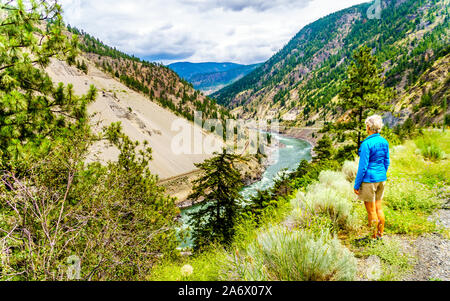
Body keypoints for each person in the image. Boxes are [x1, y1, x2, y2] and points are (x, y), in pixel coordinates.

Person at [354, 115, 390, 241]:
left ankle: (372, 238)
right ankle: (380, 235)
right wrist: (381, 174)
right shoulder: (384, 142)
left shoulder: (366, 144)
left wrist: (356, 185)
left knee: (371, 211)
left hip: (369, 181)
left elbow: (362, 167)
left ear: (368, 127)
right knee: (378, 208)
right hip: (381, 179)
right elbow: (387, 162)